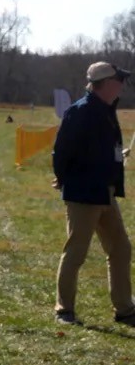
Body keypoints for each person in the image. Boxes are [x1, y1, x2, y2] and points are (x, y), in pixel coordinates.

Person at [51, 61, 135, 327]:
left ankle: (125, 309)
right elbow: (61, 152)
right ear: (106, 83)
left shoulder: (106, 110)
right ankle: (64, 310)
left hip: (105, 192)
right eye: (119, 79)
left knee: (120, 249)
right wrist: (65, 180)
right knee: (76, 252)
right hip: (84, 193)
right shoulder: (81, 111)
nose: (122, 84)